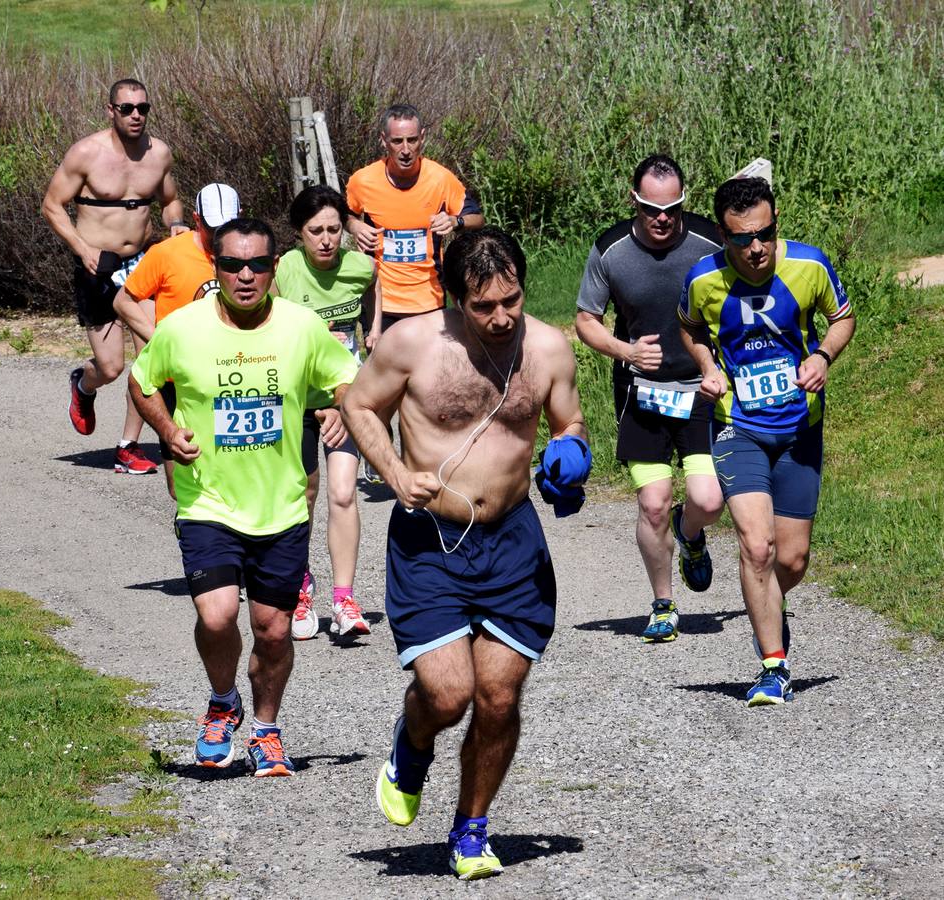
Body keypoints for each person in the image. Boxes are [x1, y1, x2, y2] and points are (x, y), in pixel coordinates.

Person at [342, 227, 589, 879]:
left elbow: (568, 419)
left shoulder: (546, 348)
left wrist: (570, 452)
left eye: (511, 299)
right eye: (484, 306)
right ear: (455, 301)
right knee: (448, 695)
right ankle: (412, 740)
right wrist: (396, 475)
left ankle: (471, 830)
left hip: (510, 543)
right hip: (430, 543)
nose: (501, 316)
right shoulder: (411, 344)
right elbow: (358, 405)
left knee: (499, 698)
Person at [128, 218, 357, 775]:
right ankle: (222, 700)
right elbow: (141, 380)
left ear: (274, 268)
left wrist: (340, 408)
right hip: (207, 500)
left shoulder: (302, 328)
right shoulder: (182, 329)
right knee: (217, 615)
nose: (246, 275)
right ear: (217, 268)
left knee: (274, 629)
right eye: (232, 264)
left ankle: (266, 728)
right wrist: (164, 428)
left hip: (281, 505)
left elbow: (350, 377)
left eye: (257, 264)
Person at [678, 176, 855, 707]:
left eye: (765, 234)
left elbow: (842, 318)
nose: (756, 249)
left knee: (792, 561)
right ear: (721, 235)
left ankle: (770, 614)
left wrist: (822, 356)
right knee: (757, 547)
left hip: (800, 427)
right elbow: (688, 328)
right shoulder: (702, 280)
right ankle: (772, 666)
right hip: (738, 426)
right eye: (742, 239)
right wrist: (707, 365)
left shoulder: (809, 266)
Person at [575, 155, 724, 643]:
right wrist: (627, 351)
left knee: (707, 498)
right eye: (651, 209)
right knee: (654, 504)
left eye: (673, 208)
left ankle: (691, 532)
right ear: (634, 202)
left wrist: (721, 365)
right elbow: (585, 320)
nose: (663, 218)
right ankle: (663, 605)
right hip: (642, 393)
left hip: (701, 388)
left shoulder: (710, 243)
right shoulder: (610, 250)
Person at [41, 77, 185, 474]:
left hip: (142, 264)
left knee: (151, 360)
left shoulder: (159, 154)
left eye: (143, 108)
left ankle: (127, 446)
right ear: (111, 111)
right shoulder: (86, 153)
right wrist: (82, 248)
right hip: (96, 265)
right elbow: (53, 205)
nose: (136, 115)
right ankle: (83, 385)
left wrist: (175, 226)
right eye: (127, 108)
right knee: (110, 366)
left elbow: (170, 201)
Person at [273, 185, 382, 641]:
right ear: (299, 234)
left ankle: (343, 599)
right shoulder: (286, 270)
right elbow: (270, 333)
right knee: (305, 496)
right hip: (297, 403)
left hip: (345, 399)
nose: (326, 240)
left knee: (343, 493)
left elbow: (374, 291)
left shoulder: (360, 267)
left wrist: (372, 330)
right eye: (315, 231)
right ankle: (300, 588)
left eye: (335, 229)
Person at [113, 183, 240, 497]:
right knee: (179, 485)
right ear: (197, 219)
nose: (222, 237)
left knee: (231, 472)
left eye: (229, 227)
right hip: (177, 381)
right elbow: (124, 301)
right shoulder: (167, 254)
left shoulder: (249, 253)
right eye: (214, 229)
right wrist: (159, 340)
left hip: (233, 373)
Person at [345, 103, 483, 334]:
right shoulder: (363, 180)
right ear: (383, 140)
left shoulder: (440, 179)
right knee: (386, 369)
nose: (406, 150)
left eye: (412, 140)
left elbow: (477, 218)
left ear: (422, 138)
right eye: (397, 141)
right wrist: (354, 225)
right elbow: (343, 213)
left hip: (429, 301)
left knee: (430, 369)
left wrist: (454, 222)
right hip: (380, 301)